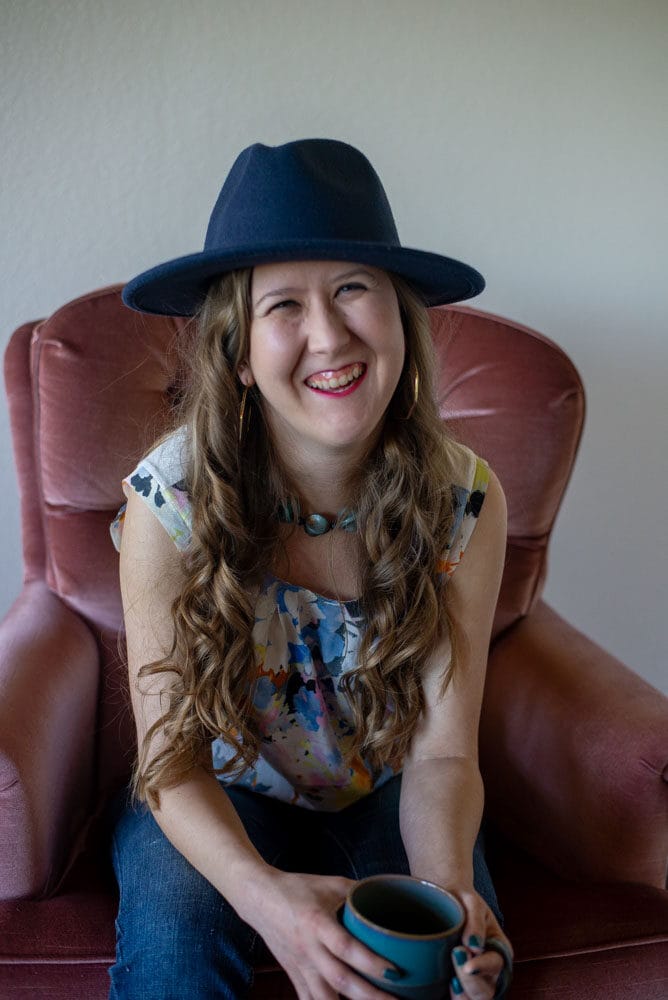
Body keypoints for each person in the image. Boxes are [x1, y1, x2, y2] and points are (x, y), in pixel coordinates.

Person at [109, 138, 513, 1000]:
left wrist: (448, 895)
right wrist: (268, 905)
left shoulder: (465, 502)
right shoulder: (166, 503)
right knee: (174, 970)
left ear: (402, 318)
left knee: (442, 974)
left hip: (390, 788)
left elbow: (444, 756)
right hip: (211, 794)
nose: (329, 334)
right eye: (283, 304)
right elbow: (169, 760)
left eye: (354, 290)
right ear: (239, 356)